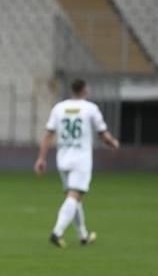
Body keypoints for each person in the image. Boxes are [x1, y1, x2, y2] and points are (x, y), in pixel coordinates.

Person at [34, 79, 119, 247]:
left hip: (63, 159)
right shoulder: (91, 108)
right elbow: (103, 135)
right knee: (74, 196)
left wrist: (41, 158)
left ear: (72, 90)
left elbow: (49, 134)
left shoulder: (59, 108)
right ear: (85, 89)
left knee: (73, 197)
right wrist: (113, 143)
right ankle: (57, 233)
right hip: (81, 160)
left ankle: (83, 235)